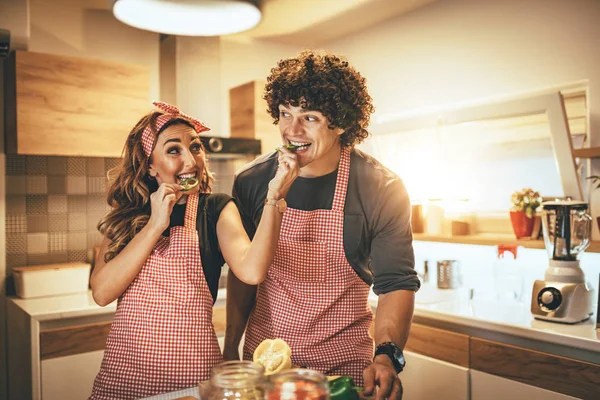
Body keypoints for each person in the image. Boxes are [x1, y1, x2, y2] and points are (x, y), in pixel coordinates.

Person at [224, 50, 419, 400]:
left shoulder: (380, 188)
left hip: (345, 370)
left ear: (341, 122)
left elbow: (396, 284)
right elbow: (243, 275)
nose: (291, 130)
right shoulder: (252, 182)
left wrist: (387, 357)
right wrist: (230, 348)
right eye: (285, 114)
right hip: (266, 363)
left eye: (309, 117)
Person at [88, 101, 298, 400]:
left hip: (193, 380)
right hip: (123, 381)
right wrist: (154, 226)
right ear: (149, 165)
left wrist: (274, 198)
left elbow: (252, 272)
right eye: (174, 150)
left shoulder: (216, 208)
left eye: (195, 147)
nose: (190, 160)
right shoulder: (126, 217)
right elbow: (102, 293)